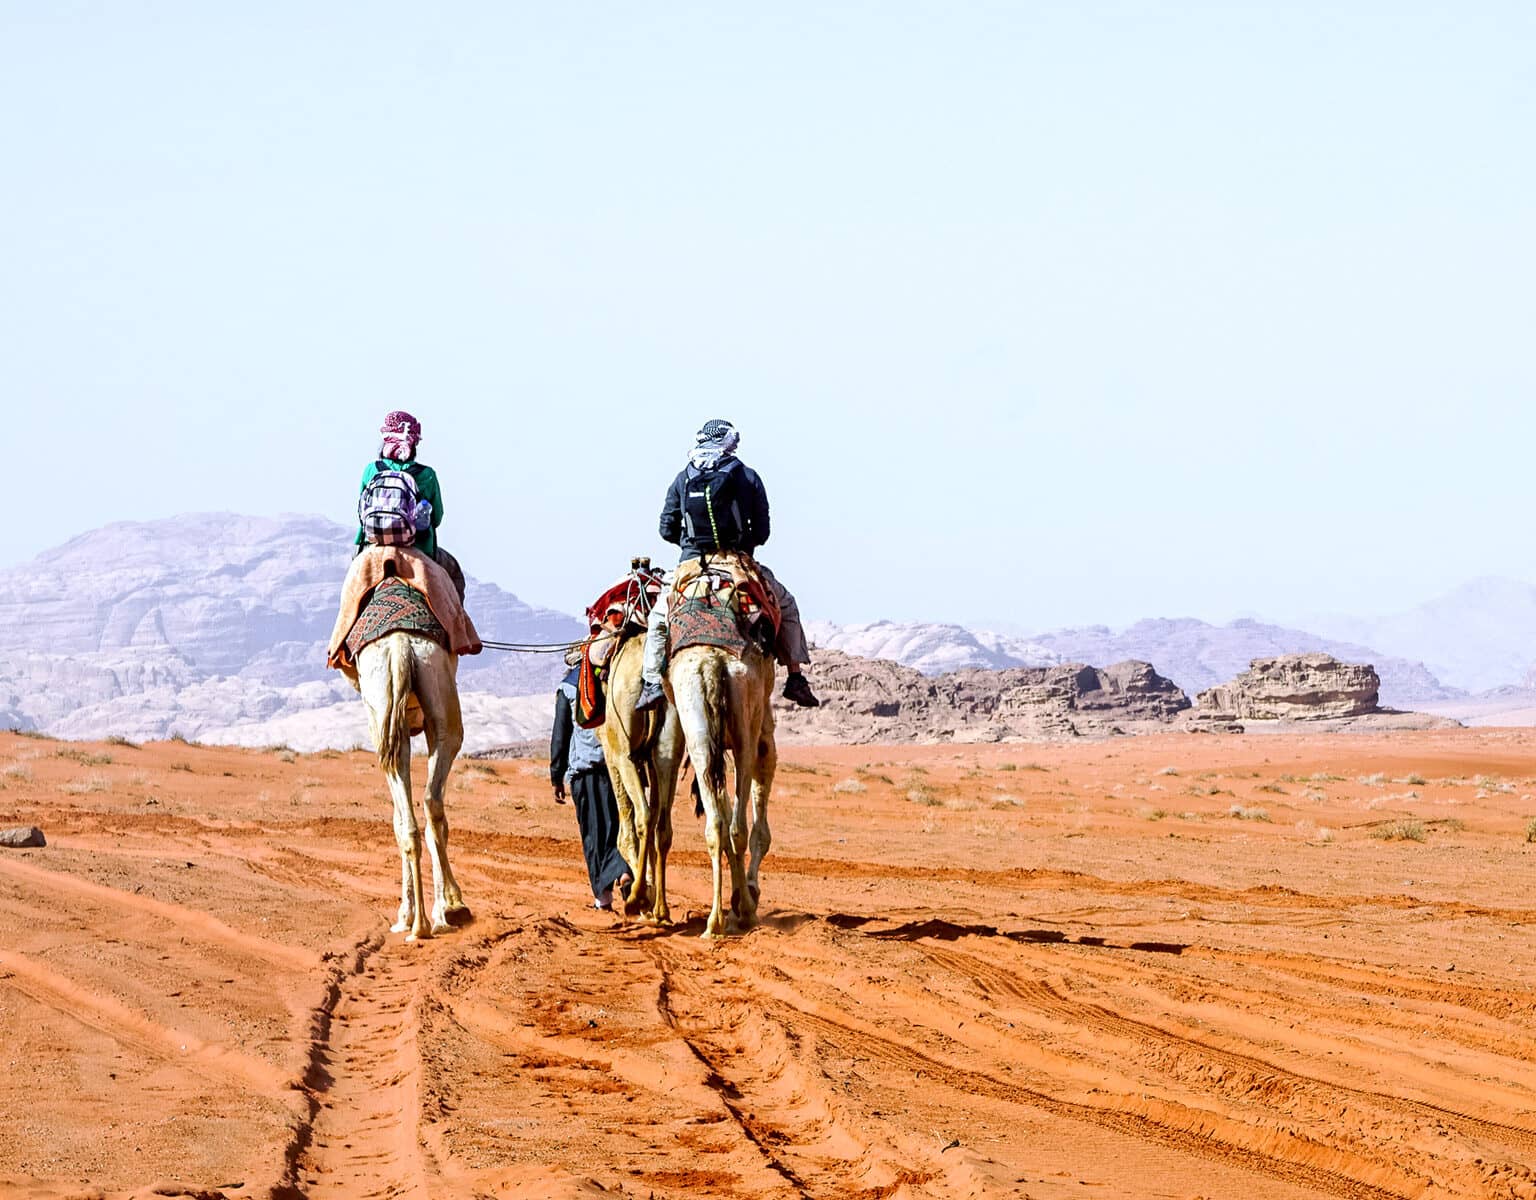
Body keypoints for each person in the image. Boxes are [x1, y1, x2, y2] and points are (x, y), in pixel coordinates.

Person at [636, 419, 819, 710]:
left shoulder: (683, 477)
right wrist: (743, 545)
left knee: (659, 618)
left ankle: (651, 683)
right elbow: (762, 531)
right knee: (786, 605)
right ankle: (795, 677)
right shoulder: (747, 476)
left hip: (691, 564)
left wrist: (690, 545)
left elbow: (666, 528)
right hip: (737, 561)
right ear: (729, 442)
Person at [354, 410, 466, 599]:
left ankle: (345, 629)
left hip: (372, 546)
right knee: (454, 574)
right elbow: (436, 518)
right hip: (419, 548)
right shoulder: (428, 475)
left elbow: (361, 512)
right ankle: (459, 628)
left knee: (352, 592)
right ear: (413, 444)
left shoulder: (371, 470)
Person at [550, 664, 632, 909]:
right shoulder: (618, 677)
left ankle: (603, 898)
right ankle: (627, 873)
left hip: (585, 771)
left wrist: (556, 775)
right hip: (620, 769)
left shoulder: (568, 688)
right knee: (621, 826)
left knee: (594, 835)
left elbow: (560, 735)